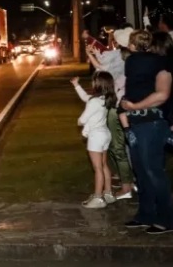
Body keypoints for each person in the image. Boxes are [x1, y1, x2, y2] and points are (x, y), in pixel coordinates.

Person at [119, 30, 173, 234]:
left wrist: (134, 107)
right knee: (141, 171)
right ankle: (146, 214)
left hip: (152, 123)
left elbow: (162, 95)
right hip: (137, 123)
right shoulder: (135, 64)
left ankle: (168, 218)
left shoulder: (163, 65)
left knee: (153, 171)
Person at [85, 27, 135, 199]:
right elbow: (102, 66)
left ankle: (127, 186)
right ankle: (128, 180)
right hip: (128, 104)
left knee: (118, 147)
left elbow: (101, 68)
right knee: (124, 146)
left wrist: (91, 54)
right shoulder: (130, 58)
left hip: (119, 105)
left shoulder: (124, 59)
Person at [71, 72, 116, 209]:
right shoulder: (104, 99)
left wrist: (80, 122)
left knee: (97, 168)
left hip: (96, 136)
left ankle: (98, 198)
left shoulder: (95, 101)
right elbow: (86, 98)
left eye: (94, 81)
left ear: (98, 84)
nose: (92, 83)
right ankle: (108, 193)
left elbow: (82, 120)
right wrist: (76, 85)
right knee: (103, 165)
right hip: (105, 133)